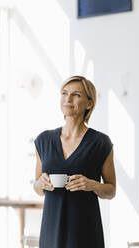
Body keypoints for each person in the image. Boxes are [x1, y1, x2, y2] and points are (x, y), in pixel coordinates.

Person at [33, 75, 116, 248]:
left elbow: (111, 190)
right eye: (64, 93)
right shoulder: (43, 140)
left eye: (76, 95)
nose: (68, 99)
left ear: (89, 103)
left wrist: (91, 185)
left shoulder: (101, 142)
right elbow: (38, 188)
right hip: (51, 231)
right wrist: (40, 183)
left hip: (84, 233)